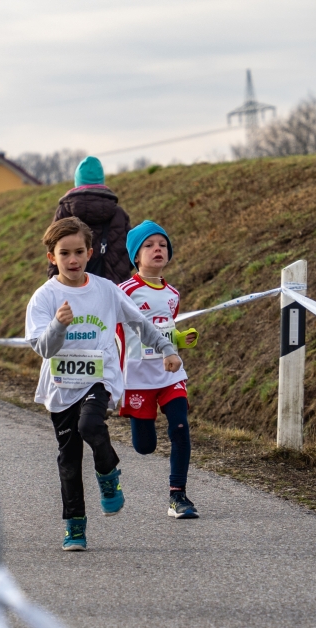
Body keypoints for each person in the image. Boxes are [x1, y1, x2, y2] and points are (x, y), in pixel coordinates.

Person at [25, 217, 180, 551]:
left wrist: (167, 348)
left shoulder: (106, 290)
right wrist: (57, 325)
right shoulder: (45, 297)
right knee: (68, 458)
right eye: (64, 253)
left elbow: (139, 322)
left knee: (91, 425)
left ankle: (108, 474)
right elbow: (42, 347)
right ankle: (75, 526)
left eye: (79, 251)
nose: (72, 259)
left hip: (99, 376)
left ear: (90, 252)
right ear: (52, 257)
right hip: (61, 384)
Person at [117, 221, 201, 519]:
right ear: (136, 256)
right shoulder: (123, 291)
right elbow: (116, 332)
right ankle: (140, 426)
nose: (157, 249)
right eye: (149, 245)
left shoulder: (173, 294)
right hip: (138, 376)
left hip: (170, 373)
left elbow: (166, 328)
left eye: (162, 245)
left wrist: (179, 340)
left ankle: (178, 496)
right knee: (145, 446)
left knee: (180, 427)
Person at [48, 156, 131, 284]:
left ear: (77, 181)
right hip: (114, 287)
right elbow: (131, 252)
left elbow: (54, 248)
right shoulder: (118, 213)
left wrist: (54, 284)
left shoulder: (65, 211)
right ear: (101, 181)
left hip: (73, 287)